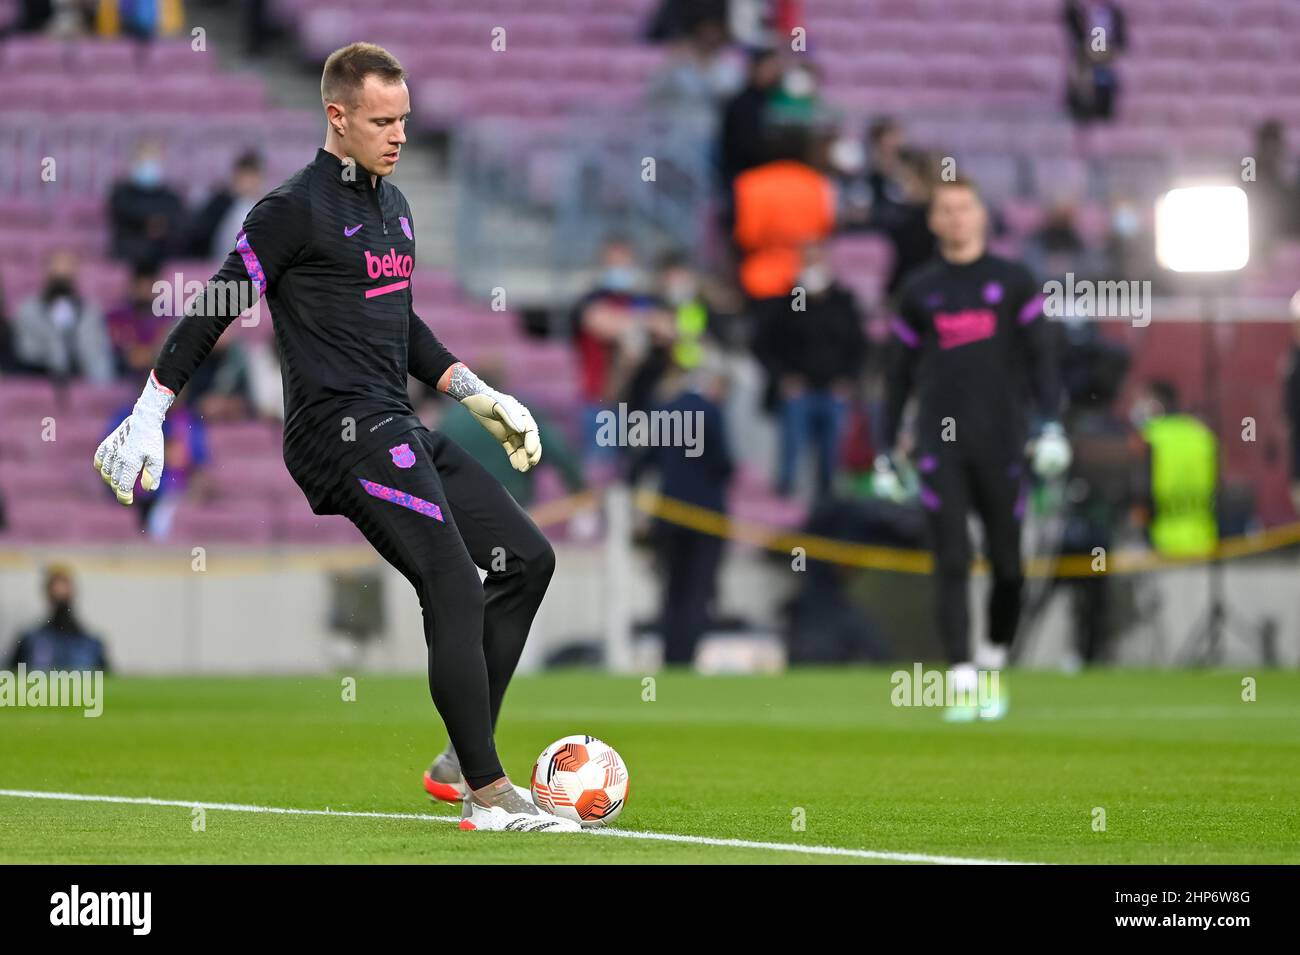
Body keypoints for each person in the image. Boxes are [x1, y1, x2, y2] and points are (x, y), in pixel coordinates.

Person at [92, 43, 577, 833]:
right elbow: (215, 304)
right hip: (335, 434)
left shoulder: (395, 207)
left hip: (398, 422)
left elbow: (400, 322)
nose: (397, 135)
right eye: (381, 121)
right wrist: (151, 406)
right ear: (337, 116)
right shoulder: (291, 210)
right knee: (453, 581)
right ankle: (487, 793)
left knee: (527, 559)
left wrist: (475, 389)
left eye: (405, 120)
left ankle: (463, 749)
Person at [877, 176, 1071, 720]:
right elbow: (896, 378)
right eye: (947, 209)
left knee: (1009, 567)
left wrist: (1052, 425)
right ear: (935, 220)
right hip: (940, 447)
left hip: (1004, 444)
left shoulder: (1013, 283)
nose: (957, 218)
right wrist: (887, 448)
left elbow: (1041, 361)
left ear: (982, 215)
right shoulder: (919, 290)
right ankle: (963, 680)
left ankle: (991, 662)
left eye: (966, 208)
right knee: (952, 560)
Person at [752, 243, 868, 497]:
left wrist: (849, 379)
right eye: (808, 261)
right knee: (792, 448)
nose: (813, 267)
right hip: (798, 391)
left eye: (818, 261)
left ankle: (826, 502)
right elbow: (767, 343)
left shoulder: (843, 302)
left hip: (834, 390)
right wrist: (783, 377)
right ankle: (784, 498)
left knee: (831, 452)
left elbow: (859, 346)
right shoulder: (792, 301)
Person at [11, 249, 114, 383]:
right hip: (39, 380)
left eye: (66, 279)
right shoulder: (28, 309)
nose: (61, 287)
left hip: (81, 380)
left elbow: (97, 354)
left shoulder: (89, 311)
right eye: (57, 278)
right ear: (47, 275)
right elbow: (26, 351)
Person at [6, 566, 109, 673]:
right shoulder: (30, 641)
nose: (60, 591)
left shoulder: (91, 645)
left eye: (65, 587)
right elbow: (9, 680)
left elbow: (109, 684)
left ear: (73, 592)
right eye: (55, 588)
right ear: (47, 594)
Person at [108, 138, 186, 268]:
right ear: (133, 162)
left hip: (163, 256)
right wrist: (150, 222)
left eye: (152, 159)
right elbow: (125, 215)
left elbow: (179, 223)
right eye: (143, 160)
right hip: (129, 257)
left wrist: (162, 226)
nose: (148, 165)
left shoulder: (170, 196)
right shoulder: (121, 193)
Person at [188, 151, 266, 260]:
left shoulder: (266, 208)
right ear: (236, 177)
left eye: (254, 178)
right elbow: (199, 237)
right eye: (245, 178)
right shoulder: (220, 205)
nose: (250, 183)